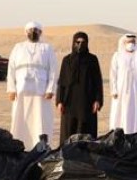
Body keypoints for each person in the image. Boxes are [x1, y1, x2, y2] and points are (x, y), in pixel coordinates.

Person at [6, 21, 58, 149]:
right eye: (30, 30)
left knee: (40, 120)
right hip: (21, 91)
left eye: (36, 30)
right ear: (26, 32)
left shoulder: (47, 48)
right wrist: (11, 89)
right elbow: (11, 69)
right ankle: (18, 146)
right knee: (20, 120)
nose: (33, 32)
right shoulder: (18, 47)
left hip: (41, 92)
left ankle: (41, 147)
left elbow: (53, 70)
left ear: (40, 32)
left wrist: (50, 89)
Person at [56, 31, 104, 146]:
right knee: (68, 132)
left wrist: (98, 100)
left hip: (87, 102)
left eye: (83, 42)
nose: (80, 45)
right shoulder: (67, 60)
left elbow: (98, 81)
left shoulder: (92, 59)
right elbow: (61, 82)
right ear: (73, 43)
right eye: (77, 42)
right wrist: (59, 101)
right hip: (69, 103)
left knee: (86, 133)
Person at [109, 33, 137, 133]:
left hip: (135, 90)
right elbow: (113, 74)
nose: (131, 44)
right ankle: (117, 134)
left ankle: (132, 134)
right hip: (120, 90)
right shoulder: (117, 55)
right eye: (128, 42)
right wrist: (114, 90)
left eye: (133, 42)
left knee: (133, 112)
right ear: (124, 43)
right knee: (119, 112)